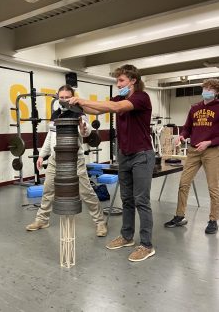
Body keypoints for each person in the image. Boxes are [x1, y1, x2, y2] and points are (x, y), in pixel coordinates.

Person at [69, 65, 155, 262]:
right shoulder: (119, 98)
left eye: (121, 81)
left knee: (141, 200)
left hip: (142, 155)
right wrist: (75, 105)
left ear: (133, 80)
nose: (118, 85)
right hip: (124, 155)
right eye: (117, 81)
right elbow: (96, 110)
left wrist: (82, 100)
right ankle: (126, 237)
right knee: (126, 199)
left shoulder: (141, 97)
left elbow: (115, 108)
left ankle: (146, 245)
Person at [26, 85, 108, 237]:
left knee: (86, 192)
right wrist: (42, 155)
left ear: (73, 97)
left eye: (67, 97)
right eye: (61, 97)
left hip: (74, 159)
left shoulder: (78, 113)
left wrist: (84, 128)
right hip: (55, 159)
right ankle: (42, 220)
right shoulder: (55, 114)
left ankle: (100, 222)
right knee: (48, 190)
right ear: (58, 97)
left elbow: (85, 131)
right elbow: (50, 136)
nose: (64, 100)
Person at [164, 79, 219, 234]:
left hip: (212, 151)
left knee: (213, 187)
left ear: (216, 92)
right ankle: (179, 216)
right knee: (183, 183)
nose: (206, 91)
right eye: (205, 88)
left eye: (210, 88)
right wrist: (181, 136)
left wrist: (209, 142)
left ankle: (213, 220)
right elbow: (187, 128)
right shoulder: (194, 108)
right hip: (194, 150)